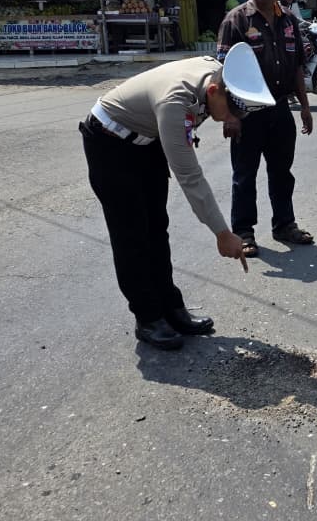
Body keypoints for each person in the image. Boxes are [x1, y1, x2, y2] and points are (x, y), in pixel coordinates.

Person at [81, 42, 274, 350]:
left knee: (157, 227)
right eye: (232, 111)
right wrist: (223, 233)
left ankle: (170, 307)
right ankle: (147, 317)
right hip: (110, 143)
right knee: (132, 234)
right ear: (213, 92)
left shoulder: (215, 73)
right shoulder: (175, 103)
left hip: (147, 140)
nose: (231, 119)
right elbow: (190, 177)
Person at [216, 0, 314, 259]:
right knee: (244, 175)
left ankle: (284, 224)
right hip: (246, 114)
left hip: (281, 110)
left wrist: (306, 106)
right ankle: (244, 232)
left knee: (282, 172)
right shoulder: (236, 20)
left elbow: (297, 65)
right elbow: (219, 73)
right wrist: (229, 115)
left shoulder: (289, 22)